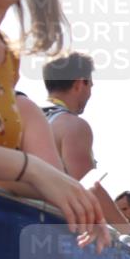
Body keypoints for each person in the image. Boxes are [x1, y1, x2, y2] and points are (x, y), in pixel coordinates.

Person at [0, 0, 108, 250]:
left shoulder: (9, 59)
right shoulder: (70, 126)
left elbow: (20, 178)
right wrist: (31, 169)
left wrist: (76, 199)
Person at [41, 52, 96, 180]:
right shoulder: (73, 126)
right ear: (79, 84)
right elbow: (85, 187)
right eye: (90, 85)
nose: (90, 92)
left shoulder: (25, 117)